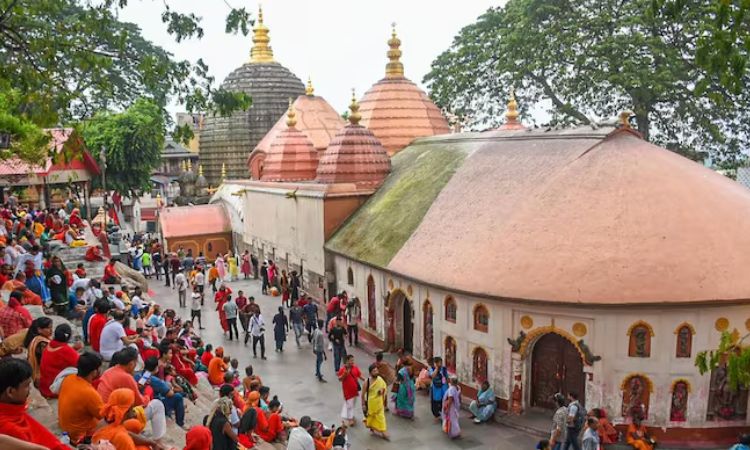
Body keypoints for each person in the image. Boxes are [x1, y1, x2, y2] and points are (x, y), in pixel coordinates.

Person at [98, 348, 168, 441]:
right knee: (157, 405)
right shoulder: (126, 377)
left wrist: (139, 388)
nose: (135, 366)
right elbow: (140, 402)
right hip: (116, 419)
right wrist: (148, 393)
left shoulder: (109, 371)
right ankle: (158, 441)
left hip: (104, 415)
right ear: (131, 364)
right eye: (135, 363)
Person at [0, 358, 68, 450]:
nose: (30, 390)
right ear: (10, 392)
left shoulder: (13, 413)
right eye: (27, 385)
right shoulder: (11, 430)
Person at [57, 352, 104, 444]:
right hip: (81, 436)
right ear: (94, 372)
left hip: (65, 427)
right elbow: (104, 416)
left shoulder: (69, 378)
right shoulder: (89, 393)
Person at [138, 356, 186, 429]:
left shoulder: (138, 375)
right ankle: (180, 423)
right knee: (178, 397)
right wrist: (172, 388)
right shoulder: (153, 379)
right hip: (151, 404)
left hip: (141, 402)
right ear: (155, 368)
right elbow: (170, 393)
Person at [39, 324, 80, 398]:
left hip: (44, 386)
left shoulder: (49, 345)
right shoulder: (66, 350)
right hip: (54, 388)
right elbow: (81, 365)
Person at [362, 363, 389, 440]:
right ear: (370, 373)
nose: (376, 372)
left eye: (376, 370)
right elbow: (363, 395)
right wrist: (363, 404)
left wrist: (382, 391)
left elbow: (384, 387)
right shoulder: (366, 382)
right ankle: (372, 427)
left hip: (379, 403)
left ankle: (383, 431)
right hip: (371, 404)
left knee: (381, 417)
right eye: (374, 371)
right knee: (371, 418)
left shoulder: (380, 379)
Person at [23, 316, 53, 385]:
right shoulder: (42, 343)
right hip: (39, 376)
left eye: (51, 327)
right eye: (48, 328)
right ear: (39, 329)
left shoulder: (35, 338)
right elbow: (47, 361)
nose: (51, 330)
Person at [337, 354, 363, 427]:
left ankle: (349, 416)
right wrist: (344, 374)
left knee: (352, 404)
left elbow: (359, 375)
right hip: (347, 391)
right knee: (349, 405)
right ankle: (350, 419)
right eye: (351, 360)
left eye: (353, 360)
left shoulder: (355, 368)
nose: (352, 362)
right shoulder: (343, 369)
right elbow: (339, 379)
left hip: (355, 391)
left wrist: (366, 380)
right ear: (347, 361)